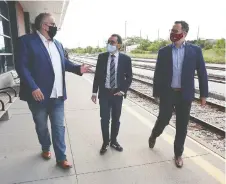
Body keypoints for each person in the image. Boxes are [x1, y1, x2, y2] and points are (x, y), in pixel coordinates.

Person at [15, 13, 91, 169]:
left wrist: (78, 68)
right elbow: (21, 67)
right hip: (38, 96)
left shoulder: (57, 44)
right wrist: (33, 87)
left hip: (57, 96)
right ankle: (45, 147)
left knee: (58, 127)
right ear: (44, 26)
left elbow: (63, 62)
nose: (55, 27)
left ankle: (61, 158)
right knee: (41, 126)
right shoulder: (26, 42)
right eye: (53, 24)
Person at [148, 21, 208, 168]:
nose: (173, 33)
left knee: (182, 126)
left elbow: (202, 73)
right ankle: (154, 134)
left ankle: (178, 154)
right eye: (172, 30)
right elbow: (158, 74)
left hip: (185, 95)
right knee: (163, 120)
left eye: (175, 30)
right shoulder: (164, 51)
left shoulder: (195, 51)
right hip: (168, 93)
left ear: (184, 33)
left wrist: (203, 94)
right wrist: (156, 92)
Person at [91, 34, 132, 155]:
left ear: (119, 45)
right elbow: (97, 75)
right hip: (104, 93)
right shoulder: (102, 57)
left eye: (113, 42)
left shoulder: (125, 59)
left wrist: (123, 90)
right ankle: (105, 142)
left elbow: (129, 77)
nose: (110, 44)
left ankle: (114, 141)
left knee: (116, 119)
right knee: (104, 119)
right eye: (108, 42)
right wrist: (94, 92)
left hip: (117, 95)